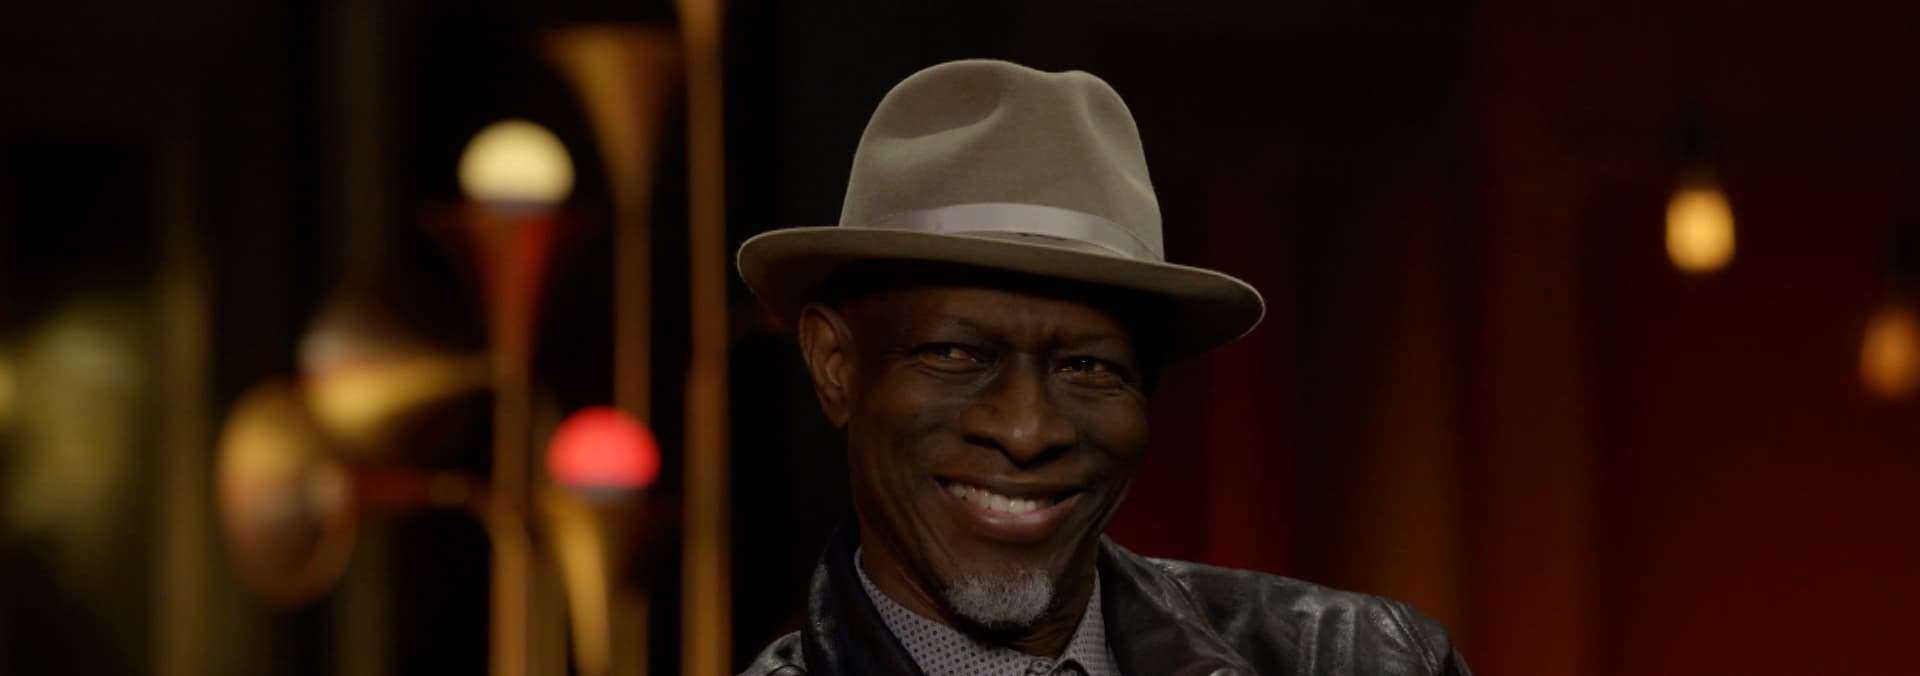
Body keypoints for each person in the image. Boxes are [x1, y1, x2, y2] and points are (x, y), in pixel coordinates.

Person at [734, 59, 1471, 676]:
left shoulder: (1368, 662)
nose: (1027, 431)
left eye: (1087, 365)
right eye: (956, 354)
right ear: (834, 364)